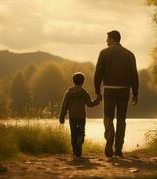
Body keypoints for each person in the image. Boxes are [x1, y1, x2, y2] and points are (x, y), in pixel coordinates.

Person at [94, 30, 139, 158]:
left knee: (108, 116)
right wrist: (135, 93)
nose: (106, 41)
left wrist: (97, 91)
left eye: (107, 39)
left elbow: (98, 73)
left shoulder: (104, 53)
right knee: (121, 119)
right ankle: (118, 148)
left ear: (112, 39)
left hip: (109, 89)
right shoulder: (130, 55)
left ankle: (109, 135)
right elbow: (134, 75)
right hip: (124, 90)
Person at [59, 72, 101, 158]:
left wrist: (62, 116)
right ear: (83, 82)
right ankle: (79, 148)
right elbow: (90, 104)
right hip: (81, 117)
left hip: (72, 117)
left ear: (73, 81)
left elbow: (64, 105)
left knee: (73, 133)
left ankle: (75, 151)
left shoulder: (68, 93)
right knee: (81, 133)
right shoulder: (84, 92)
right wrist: (98, 100)